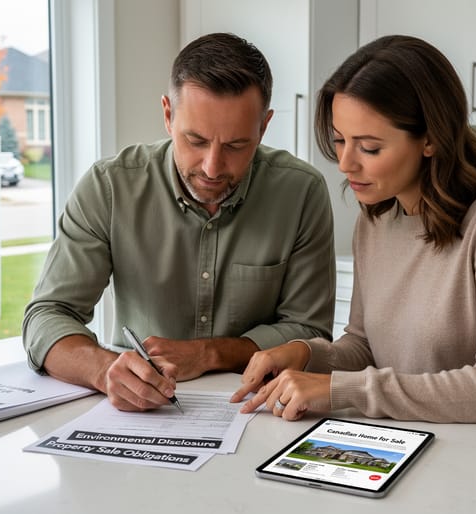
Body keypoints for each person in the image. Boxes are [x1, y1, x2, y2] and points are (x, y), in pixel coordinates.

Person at [230, 35, 476, 439]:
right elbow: (365, 347)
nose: (345, 163)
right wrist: (307, 354)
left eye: (369, 147)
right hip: (429, 439)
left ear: (430, 139)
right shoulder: (376, 219)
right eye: (340, 140)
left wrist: (342, 390)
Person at [23, 33, 336, 413]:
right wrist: (104, 371)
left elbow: (310, 332)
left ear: (264, 126)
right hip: (138, 413)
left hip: (258, 409)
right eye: (196, 140)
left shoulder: (301, 192)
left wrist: (209, 353)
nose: (212, 167)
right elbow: (47, 315)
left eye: (236, 145)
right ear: (168, 114)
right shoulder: (110, 187)